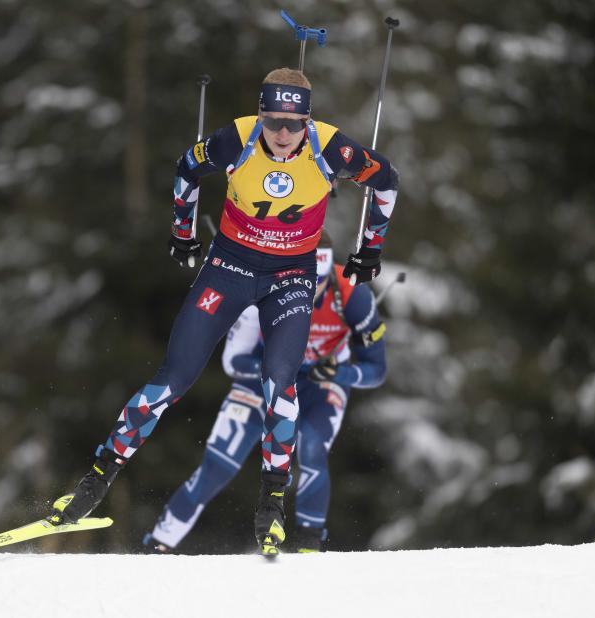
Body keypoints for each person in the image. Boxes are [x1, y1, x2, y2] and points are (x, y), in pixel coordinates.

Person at [48, 67, 400, 553]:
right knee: (173, 377)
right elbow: (187, 168)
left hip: (290, 276)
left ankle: (272, 504)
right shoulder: (237, 138)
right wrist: (183, 232)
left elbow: (386, 179)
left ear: (308, 121)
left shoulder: (330, 147)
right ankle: (96, 478)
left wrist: (370, 249)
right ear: (260, 114)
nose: (282, 134)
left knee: (280, 381)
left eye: (293, 124)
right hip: (230, 266)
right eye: (273, 121)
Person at [143, 232, 387, 553]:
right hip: (262, 383)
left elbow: (376, 370)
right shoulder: (262, 282)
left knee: (312, 448)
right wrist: (273, 367)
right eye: (302, 282)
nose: (309, 292)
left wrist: (339, 373)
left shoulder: (352, 294)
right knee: (219, 464)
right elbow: (234, 362)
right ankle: (158, 544)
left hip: (320, 385)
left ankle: (309, 547)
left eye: (318, 283)